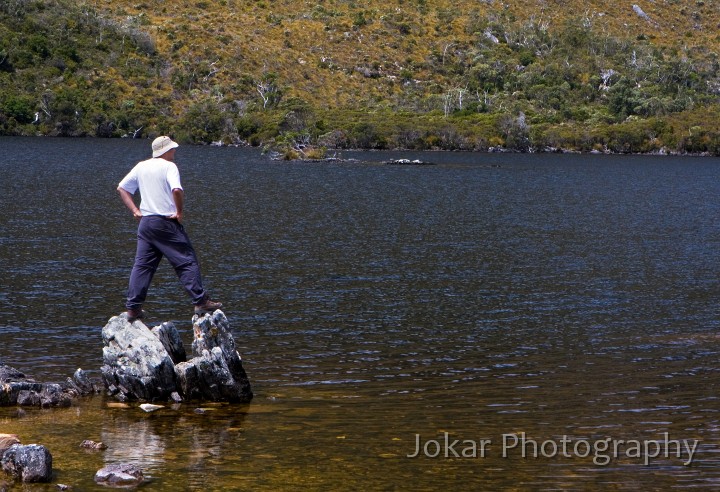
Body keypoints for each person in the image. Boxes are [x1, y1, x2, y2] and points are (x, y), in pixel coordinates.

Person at [117, 136, 222, 321]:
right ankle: (200, 301)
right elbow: (177, 190)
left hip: (146, 224)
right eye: (172, 149)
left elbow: (122, 188)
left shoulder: (141, 166)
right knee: (186, 260)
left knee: (142, 267)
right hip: (165, 222)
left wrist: (135, 210)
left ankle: (133, 309)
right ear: (165, 151)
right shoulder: (169, 167)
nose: (174, 152)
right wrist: (179, 211)